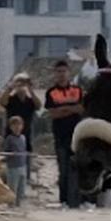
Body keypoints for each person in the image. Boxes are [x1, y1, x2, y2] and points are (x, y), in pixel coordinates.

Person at [44, 60, 84, 208]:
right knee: (63, 170)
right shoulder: (51, 92)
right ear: (55, 73)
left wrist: (64, 109)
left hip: (76, 136)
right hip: (60, 136)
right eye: (59, 71)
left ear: (69, 73)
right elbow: (53, 113)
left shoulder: (77, 90)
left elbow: (81, 109)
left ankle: (77, 201)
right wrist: (71, 108)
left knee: (76, 169)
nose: (61, 74)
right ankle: (64, 201)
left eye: (64, 71)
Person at [3, 115, 29, 206]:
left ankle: (19, 206)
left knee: (21, 190)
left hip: (22, 166)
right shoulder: (9, 139)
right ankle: (11, 206)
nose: (17, 127)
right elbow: (5, 152)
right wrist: (11, 154)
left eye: (19, 125)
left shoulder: (23, 138)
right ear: (11, 127)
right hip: (13, 167)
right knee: (12, 189)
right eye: (14, 125)